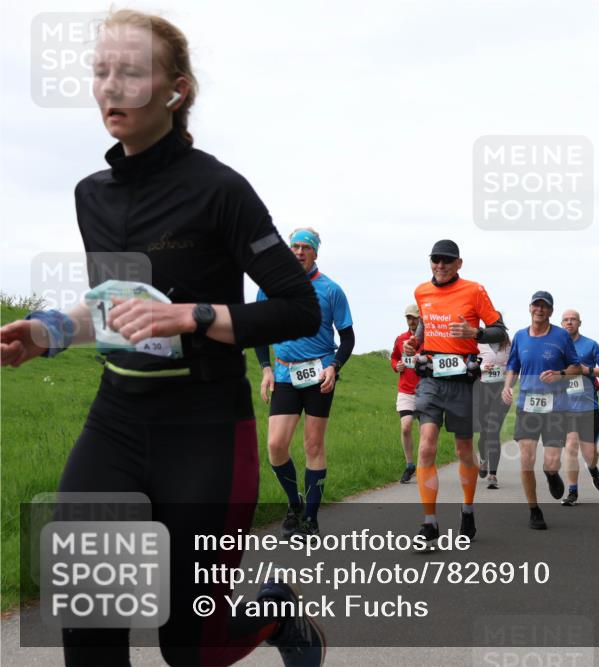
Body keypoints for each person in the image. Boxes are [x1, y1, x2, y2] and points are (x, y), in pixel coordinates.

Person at [1, 10, 324, 665]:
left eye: (130, 72)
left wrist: (195, 316)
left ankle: (274, 611)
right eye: (100, 71)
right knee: (90, 628)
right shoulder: (90, 195)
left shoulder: (220, 191)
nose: (110, 86)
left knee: (192, 648)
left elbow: (299, 309)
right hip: (116, 420)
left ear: (175, 91)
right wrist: (49, 332)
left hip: (206, 427)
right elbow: (119, 307)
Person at [402, 240, 506, 545]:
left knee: (463, 451)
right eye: (436, 260)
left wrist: (475, 333)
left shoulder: (474, 290)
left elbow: (500, 331)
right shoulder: (422, 291)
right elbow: (424, 325)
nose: (440, 265)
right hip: (431, 380)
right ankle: (429, 523)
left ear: (459, 263)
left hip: (463, 381)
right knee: (426, 447)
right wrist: (413, 343)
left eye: (447, 261)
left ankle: (468, 509)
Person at [256, 227, 354, 537]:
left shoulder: (330, 290)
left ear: (315, 253)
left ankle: (310, 519)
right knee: (275, 445)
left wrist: (334, 367)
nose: (299, 252)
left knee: (313, 444)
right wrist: (265, 369)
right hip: (285, 374)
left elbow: (348, 337)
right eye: (295, 246)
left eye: (305, 247)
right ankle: (294, 502)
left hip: (319, 375)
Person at [502, 291, 581, 530]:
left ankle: (551, 474)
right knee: (526, 459)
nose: (540, 309)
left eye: (544, 306)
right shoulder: (519, 336)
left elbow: (576, 367)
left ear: (550, 311)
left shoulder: (561, 336)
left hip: (556, 407)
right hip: (527, 405)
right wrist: (507, 386)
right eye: (536, 305)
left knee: (551, 462)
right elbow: (512, 366)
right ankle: (534, 510)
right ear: (529, 308)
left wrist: (560, 374)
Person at [559, 310, 599, 506]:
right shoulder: (556, 346)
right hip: (566, 407)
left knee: (590, 455)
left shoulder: (590, 345)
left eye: (573, 319)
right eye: (566, 319)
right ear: (561, 323)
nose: (569, 322)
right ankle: (572, 491)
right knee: (571, 446)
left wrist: (588, 370)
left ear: (579, 323)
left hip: (588, 407)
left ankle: (593, 469)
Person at [476, 321, 511, 489]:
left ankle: (493, 474)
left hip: (501, 392)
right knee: (484, 433)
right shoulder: (478, 342)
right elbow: (470, 364)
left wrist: (508, 386)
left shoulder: (508, 345)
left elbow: (514, 368)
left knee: (492, 430)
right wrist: (482, 366)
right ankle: (483, 459)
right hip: (482, 391)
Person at [390, 304, 421, 483]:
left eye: (414, 318)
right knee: (406, 426)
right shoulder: (401, 339)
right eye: (408, 318)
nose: (411, 321)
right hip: (406, 390)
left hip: (425, 390)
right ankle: (410, 465)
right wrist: (397, 366)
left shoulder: (426, 340)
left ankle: (424, 464)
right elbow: (394, 357)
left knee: (424, 431)